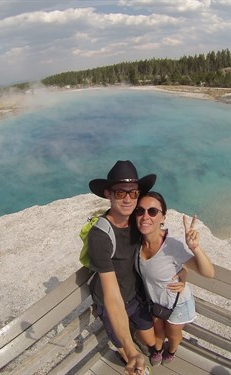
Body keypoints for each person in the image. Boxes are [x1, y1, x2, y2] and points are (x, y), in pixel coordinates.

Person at [87, 160, 157, 375]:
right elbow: (111, 296)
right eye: (120, 193)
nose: (128, 199)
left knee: (151, 341)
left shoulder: (137, 222)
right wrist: (129, 348)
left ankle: (133, 339)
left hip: (134, 295)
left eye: (133, 193)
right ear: (108, 194)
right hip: (112, 302)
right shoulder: (99, 236)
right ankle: (124, 349)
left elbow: (156, 246)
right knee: (134, 360)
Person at [134, 191, 215, 366]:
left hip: (178, 304)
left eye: (153, 211)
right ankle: (157, 350)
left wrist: (195, 248)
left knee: (172, 334)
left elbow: (209, 273)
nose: (145, 216)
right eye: (140, 211)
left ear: (163, 217)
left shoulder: (172, 244)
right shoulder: (136, 241)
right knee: (158, 330)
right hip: (155, 301)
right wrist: (183, 273)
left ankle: (170, 351)